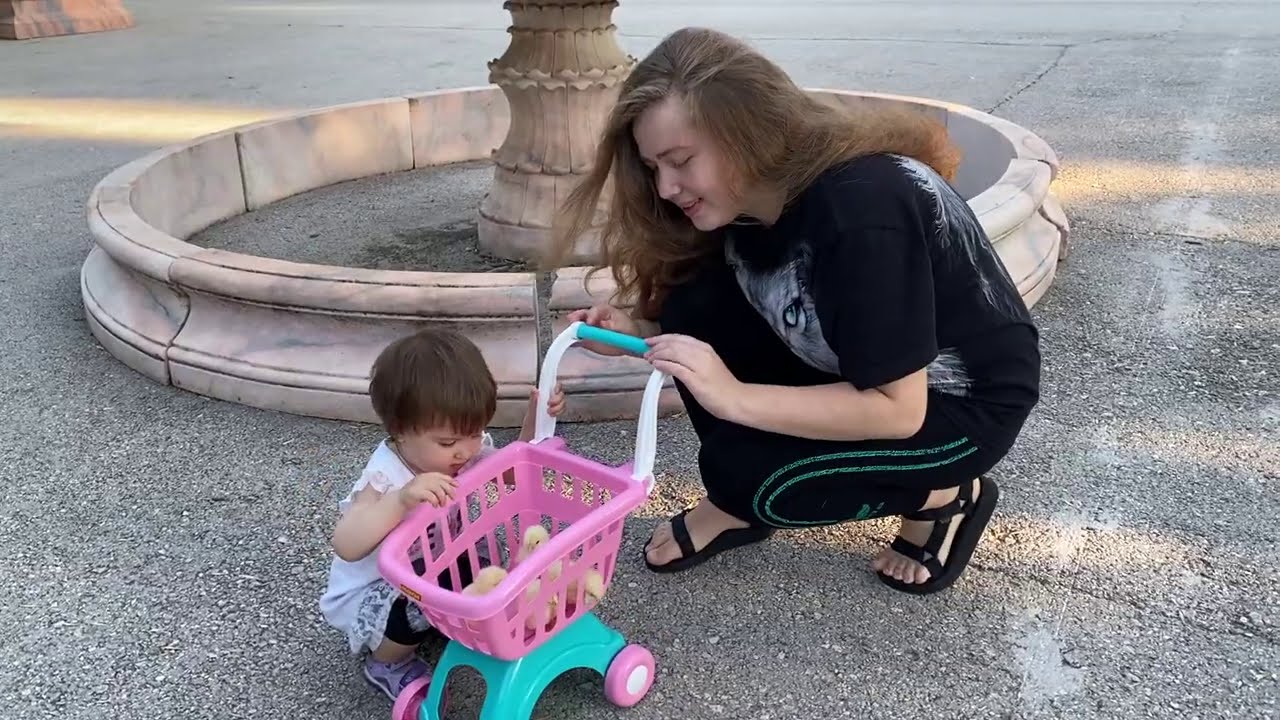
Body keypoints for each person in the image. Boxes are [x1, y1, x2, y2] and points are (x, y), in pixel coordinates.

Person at [543, 27, 1041, 595]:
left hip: (958, 404)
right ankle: (736, 501)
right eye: (654, 167)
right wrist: (637, 330)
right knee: (689, 301)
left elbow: (899, 410)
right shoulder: (756, 195)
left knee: (754, 477)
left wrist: (733, 395)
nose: (665, 188)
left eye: (680, 161)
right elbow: (711, 313)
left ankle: (944, 495)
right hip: (869, 367)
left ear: (748, 132)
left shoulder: (861, 213)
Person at [318, 327, 566, 699]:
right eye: (448, 441)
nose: (465, 451)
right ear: (400, 431)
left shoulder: (462, 451)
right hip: (379, 590)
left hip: (435, 564)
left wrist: (536, 417)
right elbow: (346, 544)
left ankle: (454, 619)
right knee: (414, 607)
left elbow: (511, 475)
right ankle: (386, 663)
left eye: (475, 433)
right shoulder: (386, 475)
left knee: (486, 568)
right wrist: (400, 500)